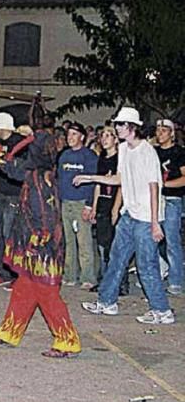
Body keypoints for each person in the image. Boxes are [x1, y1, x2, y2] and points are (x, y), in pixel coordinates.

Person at [0, 120, 82, 358]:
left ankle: (67, 340)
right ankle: (10, 331)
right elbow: (12, 168)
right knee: (23, 289)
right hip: (35, 244)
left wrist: (36, 243)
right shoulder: (37, 173)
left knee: (47, 295)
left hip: (42, 248)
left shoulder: (41, 180)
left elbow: (46, 216)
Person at [79, 107, 175, 325]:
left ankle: (162, 310)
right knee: (117, 258)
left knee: (147, 264)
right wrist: (91, 178)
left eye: (121, 125)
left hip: (146, 217)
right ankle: (107, 302)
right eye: (117, 124)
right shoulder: (124, 149)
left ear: (132, 127)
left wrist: (154, 223)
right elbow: (119, 178)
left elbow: (154, 187)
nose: (118, 128)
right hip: (130, 214)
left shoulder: (147, 151)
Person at [57, 122, 98, 290]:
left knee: (84, 242)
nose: (70, 138)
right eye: (69, 134)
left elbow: (94, 181)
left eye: (74, 134)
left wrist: (89, 205)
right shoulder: (64, 155)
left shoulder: (89, 156)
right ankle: (70, 275)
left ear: (81, 136)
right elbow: (59, 178)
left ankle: (88, 276)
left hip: (81, 202)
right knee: (69, 241)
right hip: (66, 202)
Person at [89, 125, 127, 295]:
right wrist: (94, 207)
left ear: (115, 139)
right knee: (103, 245)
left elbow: (122, 185)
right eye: (102, 136)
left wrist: (116, 208)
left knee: (115, 245)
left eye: (108, 136)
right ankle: (105, 279)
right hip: (103, 205)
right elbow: (98, 184)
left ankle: (120, 283)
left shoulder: (121, 158)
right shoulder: (102, 159)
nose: (104, 139)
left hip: (114, 204)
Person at [0, 112, 23, 287]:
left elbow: (19, 170)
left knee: (9, 235)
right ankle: (2, 270)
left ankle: (15, 274)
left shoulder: (20, 144)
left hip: (13, 194)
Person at [155, 118, 185, 295]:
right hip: (156, 200)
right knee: (152, 239)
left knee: (172, 241)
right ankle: (157, 273)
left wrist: (164, 186)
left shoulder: (179, 152)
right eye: (158, 130)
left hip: (172, 199)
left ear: (172, 133)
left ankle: (176, 280)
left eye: (164, 130)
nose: (160, 134)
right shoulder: (153, 152)